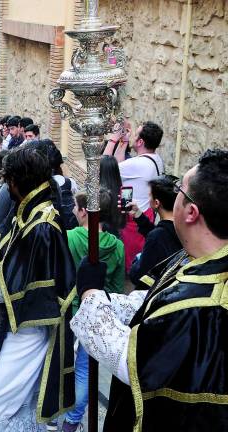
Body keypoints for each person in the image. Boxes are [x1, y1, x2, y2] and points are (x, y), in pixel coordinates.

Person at [71, 149, 228, 431]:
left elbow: (132, 360)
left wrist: (91, 294)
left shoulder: (203, 304)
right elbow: (151, 304)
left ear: (191, 212)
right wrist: (106, 298)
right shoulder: (193, 258)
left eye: (181, 189)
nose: (174, 195)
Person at [0, 145, 76, 430]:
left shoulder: (42, 225)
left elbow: (13, 286)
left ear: (17, 182)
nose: (6, 186)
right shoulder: (29, 213)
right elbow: (6, 258)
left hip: (28, 329)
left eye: (7, 180)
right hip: (15, 324)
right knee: (15, 407)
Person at [62, 190, 125, 431]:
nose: (73, 213)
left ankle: (61, 412)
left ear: (84, 212)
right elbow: (118, 287)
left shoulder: (70, 237)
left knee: (65, 365)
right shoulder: (117, 246)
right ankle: (73, 419)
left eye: (76, 208)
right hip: (100, 313)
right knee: (86, 370)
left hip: (72, 309)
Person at [105, 121, 165, 271]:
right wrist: (123, 142)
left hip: (134, 219)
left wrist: (113, 139)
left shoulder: (138, 164)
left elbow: (104, 166)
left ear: (140, 142)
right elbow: (122, 167)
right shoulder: (155, 159)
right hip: (144, 213)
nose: (132, 136)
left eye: (135, 134)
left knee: (131, 263)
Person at [126, 175, 182, 285]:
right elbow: (162, 234)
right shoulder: (182, 227)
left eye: (149, 196)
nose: (148, 199)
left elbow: (139, 276)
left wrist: (136, 262)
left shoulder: (156, 237)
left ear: (156, 203)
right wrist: (138, 214)